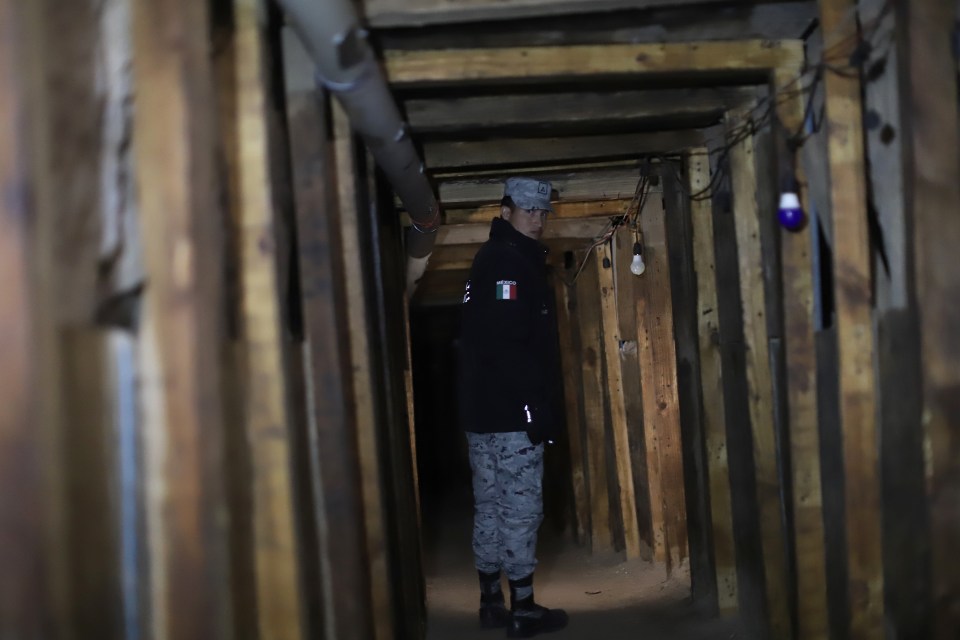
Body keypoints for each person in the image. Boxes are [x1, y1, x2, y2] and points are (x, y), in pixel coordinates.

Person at [457, 177, 568, 637]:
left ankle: (490, 601)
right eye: (528, 211)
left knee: (489, 505)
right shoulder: (509, 264)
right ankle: (522, 607)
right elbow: (507, 344)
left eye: (543, 213)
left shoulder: (493, 260)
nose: (538, 220)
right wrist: (532, 406)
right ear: (506, 212)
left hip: (482, 414)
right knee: (519, 507)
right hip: (508, 415)